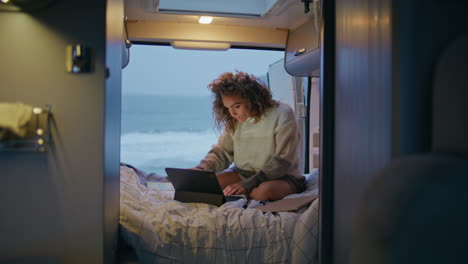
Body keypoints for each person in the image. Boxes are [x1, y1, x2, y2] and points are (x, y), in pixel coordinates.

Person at [192, 71, 305, 201]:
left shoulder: (282, 113)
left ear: (253, 98)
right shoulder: (235, 120)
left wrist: (249, 185)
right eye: (228, 108)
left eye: (237, 106)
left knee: (263, 192)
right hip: (243, 174)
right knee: (208, 185)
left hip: (282, 177)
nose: (232, 113)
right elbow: (222, 152)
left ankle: (247, 195)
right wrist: (202, 168)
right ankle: (246, 195)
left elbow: (283, 160)